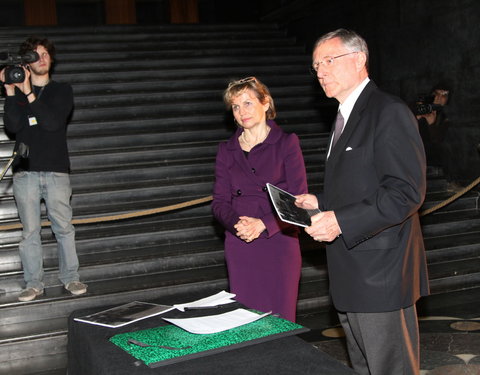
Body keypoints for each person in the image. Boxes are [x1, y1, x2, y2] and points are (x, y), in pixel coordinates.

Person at [295, 29, 429, 374]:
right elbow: (360, 188)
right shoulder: (345, 116)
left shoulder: (388, 111)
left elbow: (405, 192)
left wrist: (339, 220)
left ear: (358, 60)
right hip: (353, 274)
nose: (320, 71)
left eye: (328, 60)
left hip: (380, 275)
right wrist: (320, 201)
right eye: (316, 65)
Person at [212, 76, 308, 322]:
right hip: (240, 243)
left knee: (281, 319)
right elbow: (220, 202)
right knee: (246, 321)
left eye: (247, 103)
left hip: (279, 240)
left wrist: (263, 224)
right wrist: (238, 225)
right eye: (235, 106)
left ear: (265, 103)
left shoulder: (287, 143)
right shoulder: (226, 150)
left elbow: (299, 200)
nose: (241, 111)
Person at [1, 36, 87, 302]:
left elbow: (51, 123)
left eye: (45, 54)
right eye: (35, 55)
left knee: (63, 227)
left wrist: (28, 92)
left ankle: (71, 278)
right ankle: (33, 283)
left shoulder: (62, 90)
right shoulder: (18, 94)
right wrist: (11, 91)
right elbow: (13, 127)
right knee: (30, 231)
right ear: (27, 63)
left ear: (51, 58)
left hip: (56, 170)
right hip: (25, 171)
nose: (41, 58)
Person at [416, 84, 463, 191]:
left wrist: (431, 124)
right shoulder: (422, 107)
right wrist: (416, 119)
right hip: (417, 150)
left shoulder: (447, 116)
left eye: (444, 95)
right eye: (436, 94)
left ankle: (452, 181)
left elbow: (439, 140)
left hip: (434, 154)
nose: (439, 98)